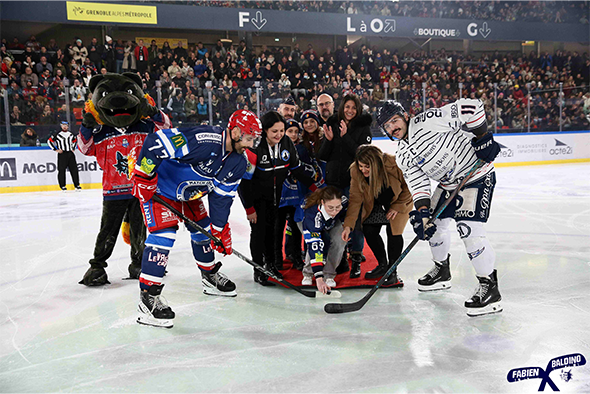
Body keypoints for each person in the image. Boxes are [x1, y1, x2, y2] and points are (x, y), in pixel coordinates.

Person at [131, 110, 262, 328]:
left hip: (190, 195)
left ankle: (209, 276)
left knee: (204, 231)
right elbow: (156, 142)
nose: (251, 143)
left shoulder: (239, 162)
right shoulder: (205, 139)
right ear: (236, 131)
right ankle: (148, 297)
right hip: (159, 190)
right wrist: (144, 175)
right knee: (164, 234)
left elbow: (221, 199)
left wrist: (219, 230)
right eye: (250, 137)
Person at [376, 99, 502, 317]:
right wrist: (423, 214)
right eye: (387, 126)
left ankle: (489, 287)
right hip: (449, 184)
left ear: (405, 116)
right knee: (432, 225)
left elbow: (472, 107)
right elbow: (418, 185)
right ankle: (442, 270)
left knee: (468, 230)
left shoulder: (427, 121)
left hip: (476, 174)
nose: (392, 128)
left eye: (395, 121)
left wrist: (482, 138)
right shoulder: (403, 156)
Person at [239, 111, 322, 287]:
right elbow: (244, 182)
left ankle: (270, 266)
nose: (279, 135)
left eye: (281, 130)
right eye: (274, 131)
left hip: (276, 197)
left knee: (272, 231)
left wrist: (315, 189)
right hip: (257, 198)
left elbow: (297, 169)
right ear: (264, 131)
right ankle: (258, 269)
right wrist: (249, 209)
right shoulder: (255, 147)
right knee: (259, 233)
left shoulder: (286, 144)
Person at [342, 145, 412, 286]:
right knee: (369, 230)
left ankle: (392, 271)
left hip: (397, 201)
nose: (363, 170)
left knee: (393, 233)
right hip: (375, 202)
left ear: (376, 163)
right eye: (361, 166)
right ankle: (382, 265)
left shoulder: (394, 164)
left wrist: (397, 207)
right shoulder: (355, 170)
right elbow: (355, 198)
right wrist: (348, 225)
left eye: (367, 166)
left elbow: (408, 187)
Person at [318, 93, 372, 278]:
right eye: (347, 107)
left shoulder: (363, 128)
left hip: (354, 182)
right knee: (334, 219)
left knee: (355, 220)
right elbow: (323, 155)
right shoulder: (333, 123)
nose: (349, 111)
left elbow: (362, 155)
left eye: (353, 108)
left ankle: (356, 257)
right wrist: (329, 139)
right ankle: (338, 258)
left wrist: (346, 136)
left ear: (357, 110)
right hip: (333, 181)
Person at [298, 186, 347, 291]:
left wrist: (347, 226)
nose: (334, 211)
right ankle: (308, 273)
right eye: (330, 208)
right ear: (322, 203)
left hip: (331, 222)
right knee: (317, 242)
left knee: (340, 240)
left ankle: (329, 274)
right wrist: (319, 278)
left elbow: (349, 213)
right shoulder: (312, 216)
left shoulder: (343, 202)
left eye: (337, 207)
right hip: (305, 220)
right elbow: (315, 245)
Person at [47, 121, 81, 191]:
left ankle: (77, 185)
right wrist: (55, 149)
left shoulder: (71, 134)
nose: (64, 127)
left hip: (70, 153)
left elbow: (75, 141)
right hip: (62, 154)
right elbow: (49, 141)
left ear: (68, 126)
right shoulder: (57, 134)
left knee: (74, 170)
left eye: (66, 125)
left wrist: (73, 148)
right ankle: (62, 185)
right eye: (63, 125)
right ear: (61, 126)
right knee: (61, 170)